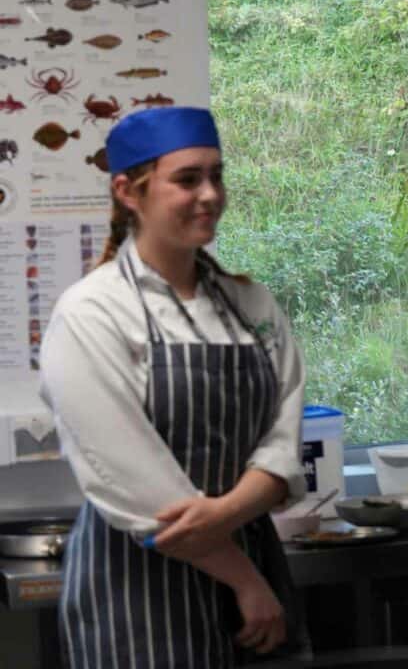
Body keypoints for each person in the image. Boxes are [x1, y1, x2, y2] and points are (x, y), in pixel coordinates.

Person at [40, 106, 306, 668]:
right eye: (187, 179)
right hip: (136, 593)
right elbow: (134, 483)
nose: (210, 194)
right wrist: (245, 580)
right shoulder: (91, 313)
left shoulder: (251, 304)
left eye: (217, 175)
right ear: (128, 191)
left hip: (255, 573)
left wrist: (228, 511)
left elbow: (283, 438)